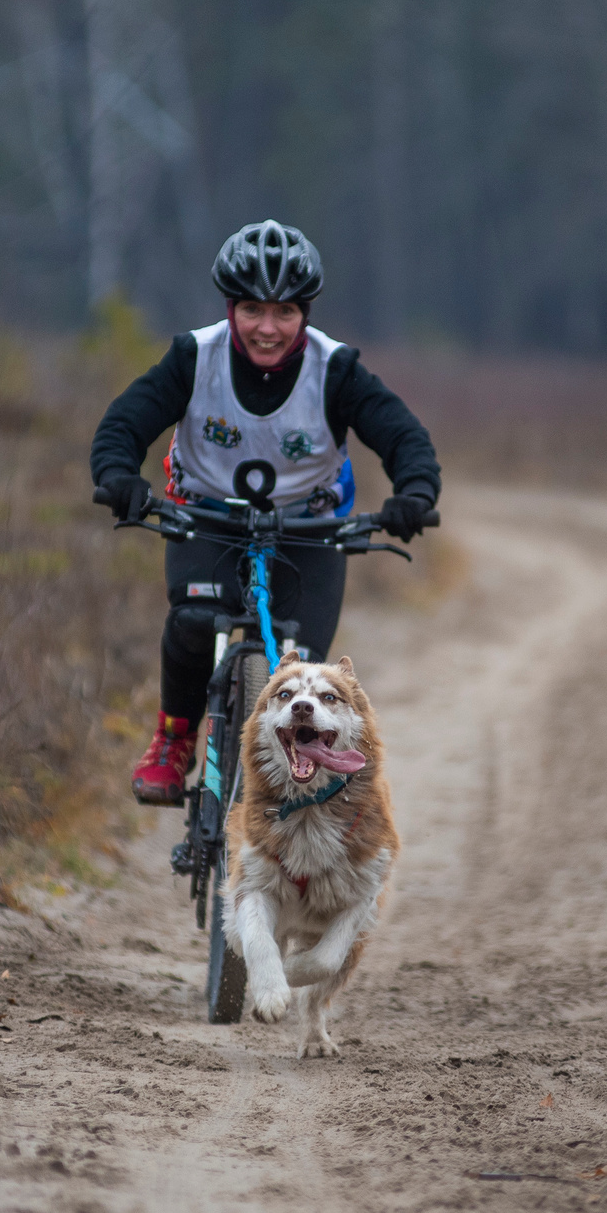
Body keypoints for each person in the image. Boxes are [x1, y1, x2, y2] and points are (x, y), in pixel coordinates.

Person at [91, 220, 441, 803]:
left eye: (284, 312)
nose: (268, 328)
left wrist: (414, 495)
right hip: (206, 515)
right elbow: (124, 425)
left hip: (311, 527)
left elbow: (404, 437)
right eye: (253, 309)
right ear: (231, 308)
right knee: (193, 623)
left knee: (300, 669)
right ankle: (173, 741)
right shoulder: (193, 358)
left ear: (305, 312)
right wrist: (119, 477)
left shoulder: (337, 369)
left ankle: (286, 792)